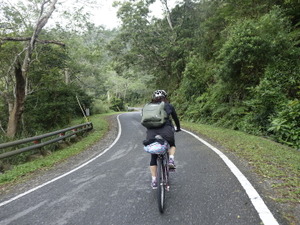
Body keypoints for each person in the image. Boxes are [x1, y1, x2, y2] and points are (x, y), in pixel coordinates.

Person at [144, 90, 181, 189]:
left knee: (154, 156)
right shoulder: (168, 105)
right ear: (165, 97)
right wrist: (178, 128)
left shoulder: (148, 107)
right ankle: (171, 160)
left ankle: (154, 180)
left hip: (151, 133)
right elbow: (176, 118)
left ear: (153, 98)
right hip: (166, 131)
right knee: (172, 144)